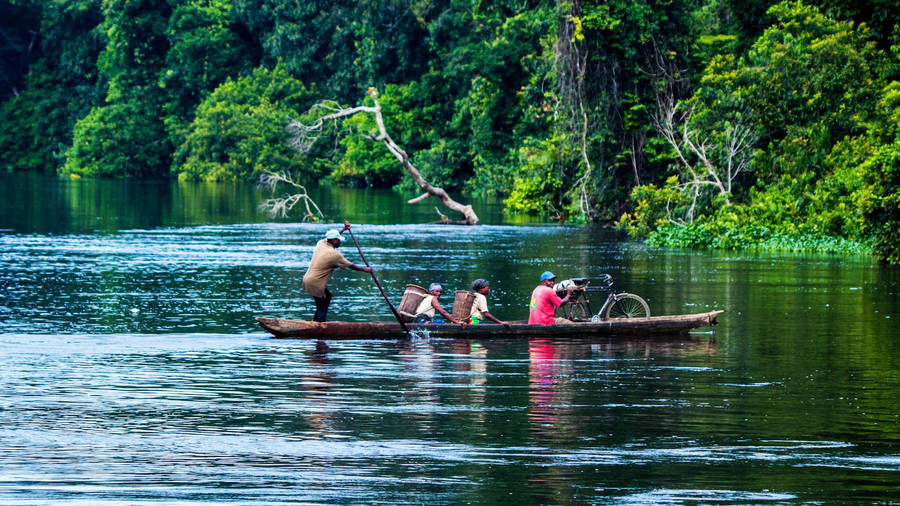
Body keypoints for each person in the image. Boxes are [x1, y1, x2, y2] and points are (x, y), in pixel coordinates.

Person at [302, 221, 373, 322]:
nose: (340, 242)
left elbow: (333, 236)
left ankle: (315, 321)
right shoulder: (334, 255)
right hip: (315, 283)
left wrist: (344, 229)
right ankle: (320, 326)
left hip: (307, 279)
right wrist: (366, 270)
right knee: (321, 305)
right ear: (334, 240)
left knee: (327, 297)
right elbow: (351, 266)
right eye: (339, 240)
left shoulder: (321, 243)